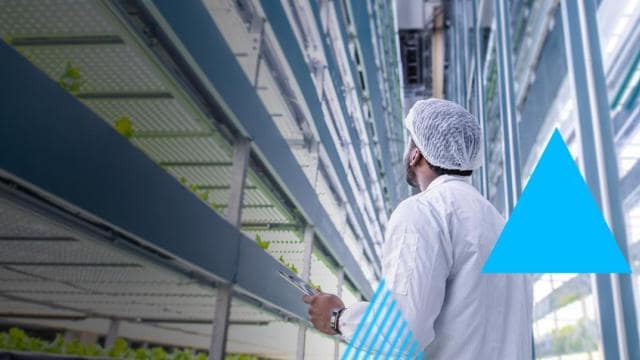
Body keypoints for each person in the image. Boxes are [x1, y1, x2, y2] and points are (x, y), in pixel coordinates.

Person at [303, 99, 532, 359]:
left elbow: (404, 329)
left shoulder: (423, 212)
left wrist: (337, 318)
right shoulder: (500, 224)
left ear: (416, 154)